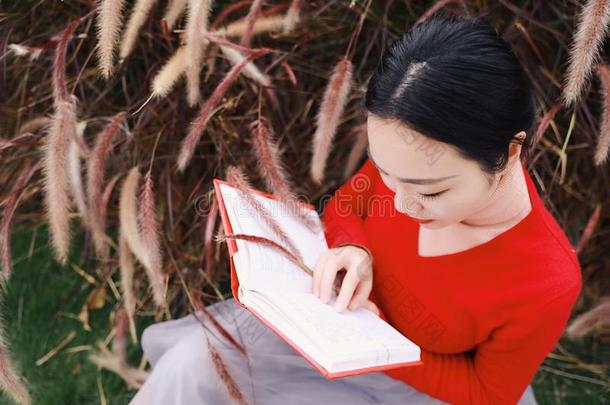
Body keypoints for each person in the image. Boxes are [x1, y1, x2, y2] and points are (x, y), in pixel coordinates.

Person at [131, 14, 579, 405]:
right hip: (324, 330)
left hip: (412, 390)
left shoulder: (545, 282)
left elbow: (488, 392)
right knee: (190, 367)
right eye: (386, 173)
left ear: (511, 152)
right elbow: (349, 203)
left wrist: (382, 341)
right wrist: (353, 248)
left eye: (432, 192)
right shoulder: (410, 157)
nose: (402, 204)